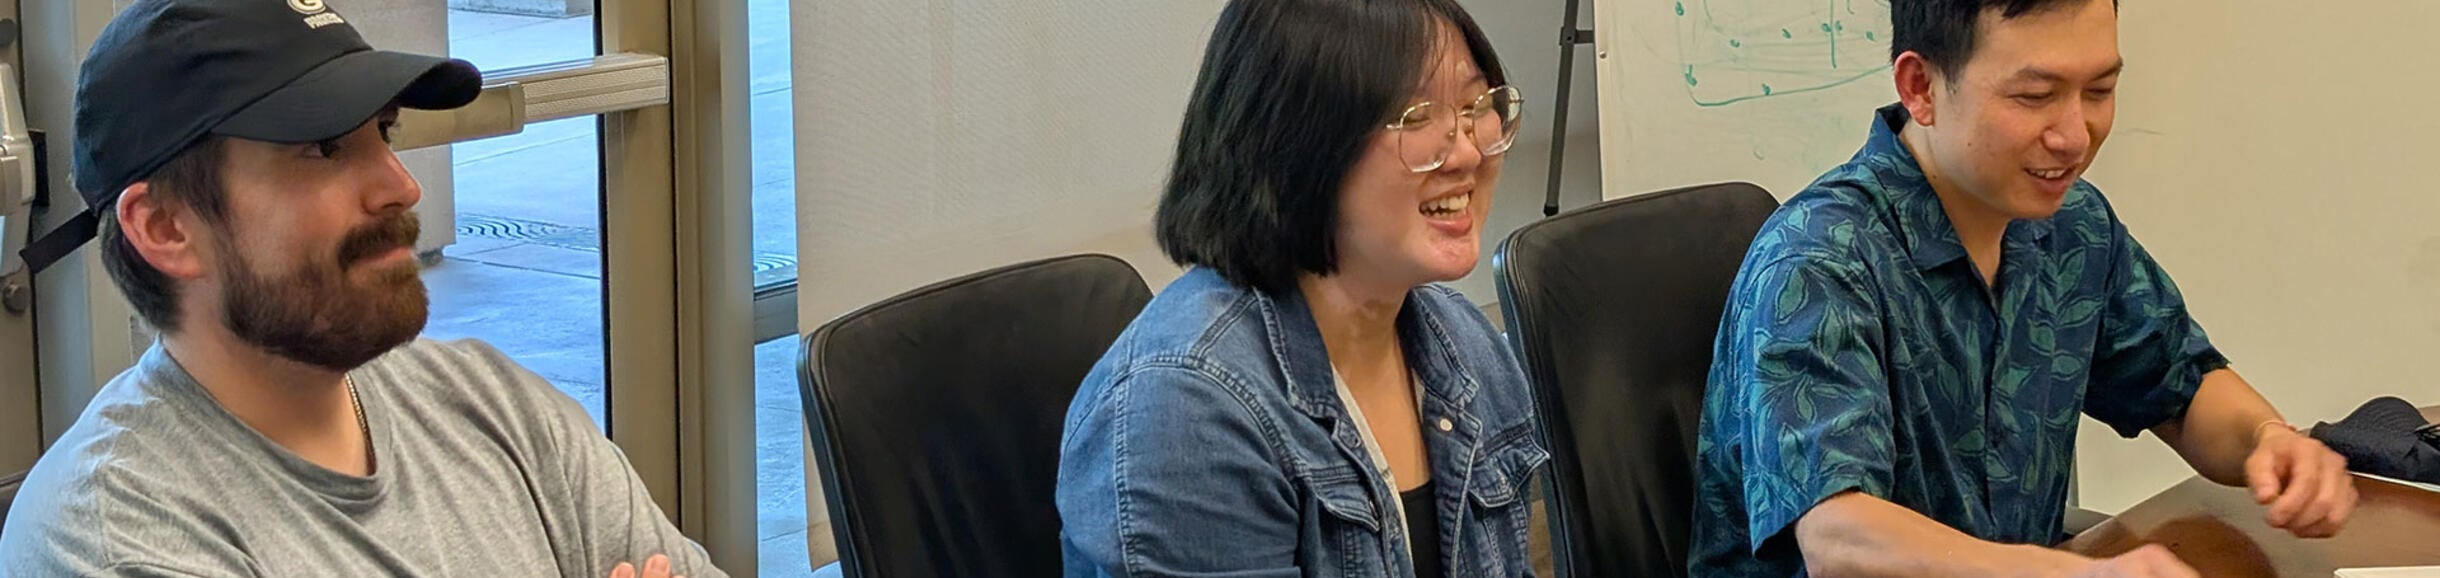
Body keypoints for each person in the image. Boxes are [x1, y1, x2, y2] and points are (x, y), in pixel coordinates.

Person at [0, 0, 723, 576]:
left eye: (385, 132)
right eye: (322, 148)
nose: (401, 187)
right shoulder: (113, 535)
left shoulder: (496, 408)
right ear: (164, 226)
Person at [1689, 0, 2357, 576]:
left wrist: (2270, 441)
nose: (2074, 136)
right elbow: (1838, 537)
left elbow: (2180, 387)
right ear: (1920, 87)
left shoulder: (2072, 226)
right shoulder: (1819, 258)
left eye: (2099, 91)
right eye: (2034, 96)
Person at [1054, 0, 1542, 576]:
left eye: (1473, 107)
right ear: (1296, 142)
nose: (1465, 150)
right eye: (1416, 117)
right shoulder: (1186, 413)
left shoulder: (1467, 346)